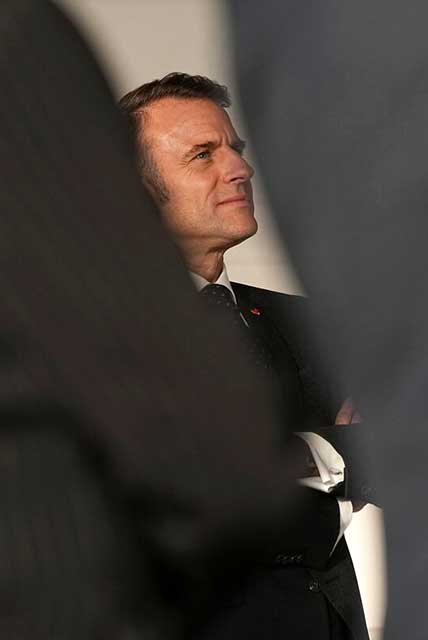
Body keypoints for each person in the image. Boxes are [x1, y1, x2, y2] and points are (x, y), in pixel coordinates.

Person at [119, 73, 374, 639]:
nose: (240, 168)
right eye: (203, 154)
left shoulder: (311, 325)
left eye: (235, 148)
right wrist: (330, 456)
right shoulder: (95, 334)